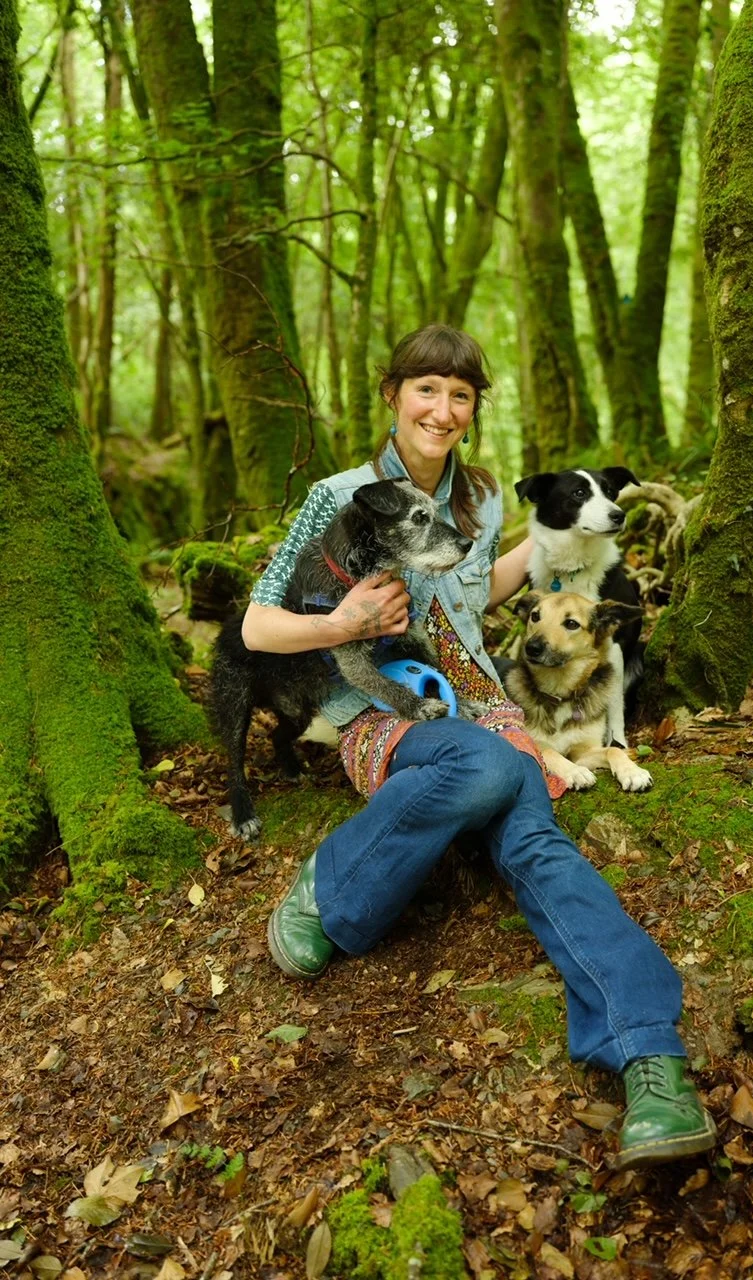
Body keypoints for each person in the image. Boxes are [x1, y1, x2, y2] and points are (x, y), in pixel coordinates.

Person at [241, 324, 716, 1170]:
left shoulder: (484, 499)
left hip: (483, 704)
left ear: (473, 409)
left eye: (460, 395)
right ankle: (329, 890)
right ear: (393, 394)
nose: (442, 409)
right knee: (489, 763)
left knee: (534, 834)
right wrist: (339, 623)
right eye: (426, 389)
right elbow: (256, 624)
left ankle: (650, 1053)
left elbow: (474, 594)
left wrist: (554, 540)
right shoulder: (339, 497)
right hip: (379, 712)